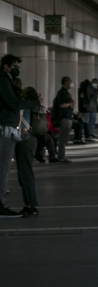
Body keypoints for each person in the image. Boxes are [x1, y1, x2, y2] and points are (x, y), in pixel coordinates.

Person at [0, 55, 24, 217]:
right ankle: (1, 206)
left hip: (6, 127)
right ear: (6, 66)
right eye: (14, 66)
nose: (17, 69)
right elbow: (13, 103)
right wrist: (32, 102)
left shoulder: (5, 79)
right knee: (3, 168)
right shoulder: (3, 80)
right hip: (4, 129)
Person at [15, 85, 38, 216]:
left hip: (24, 139)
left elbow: (18, 122)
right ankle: (29, 204)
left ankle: (31, 205)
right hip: (31, 138)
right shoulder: (33, 107)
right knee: (25, 172)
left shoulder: (24, 106)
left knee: (26, 173)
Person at [53, 75, 74, 163]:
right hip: (64, 118)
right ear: (65, 82)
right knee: (63, 138)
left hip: (67, 117)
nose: (71, 83)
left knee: (64, 138)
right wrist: (71, 102)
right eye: (69, 81)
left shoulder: (65, 93)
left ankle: (61, 156)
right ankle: (61, 157)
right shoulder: (62, 93)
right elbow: (62, 105)